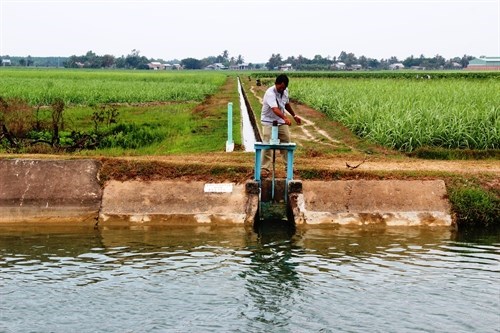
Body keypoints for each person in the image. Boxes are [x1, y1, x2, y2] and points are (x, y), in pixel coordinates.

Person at [260, 74, 301, 176]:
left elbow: (286, 104)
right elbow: (275, 109)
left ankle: (289, 167)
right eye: (280, 87)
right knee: (267, 144)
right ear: (276, 84)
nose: (281, 89)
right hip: (268, 121)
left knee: (286, 141)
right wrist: (285, 118)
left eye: (284, 87)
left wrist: (294, 115)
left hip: (280, 121)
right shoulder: (270, 93)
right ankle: (264, 168)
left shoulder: (285, 91)